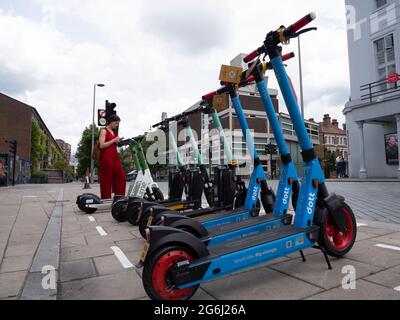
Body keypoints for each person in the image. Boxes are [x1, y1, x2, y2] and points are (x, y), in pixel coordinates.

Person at [98, 115, 126, 200]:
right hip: (106, 156)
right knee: (106, 178)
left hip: (115, 155)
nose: (117, 125)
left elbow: (113, 144)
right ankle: (106, 199)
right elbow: (101, 145)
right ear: (112, 122)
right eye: (116, 123)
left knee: (121, 176)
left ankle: (119, 198)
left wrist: (118, 141)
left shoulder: (114, 132)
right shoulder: (104, 131)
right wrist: (114, 140)